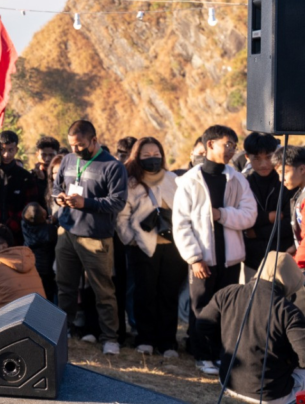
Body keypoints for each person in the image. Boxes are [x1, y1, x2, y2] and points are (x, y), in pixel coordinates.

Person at [172, 124, 256, 375]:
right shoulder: (189, 181)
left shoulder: (237, 179)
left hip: (231, 259)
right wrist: (194, 258)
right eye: (227, 144)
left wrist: (222, 214)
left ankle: (221, 355)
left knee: (227, 309)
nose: (231, 150)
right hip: (203, 258)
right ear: (210, 144)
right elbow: (181, 223)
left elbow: (249, 215)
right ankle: (202, 355)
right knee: (201, 308)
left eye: (234, 146)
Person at [51, 120, 128, 356]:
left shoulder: (113, 166)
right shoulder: (67, 160)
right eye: (72, 145)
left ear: (94, 140)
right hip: (67, 232)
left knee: (103, 290)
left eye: (80, 145)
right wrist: (59, 198)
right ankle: (63, 330)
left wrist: (87, 203)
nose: (75, 150)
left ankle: (110, 338)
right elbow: (55, 188)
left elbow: (118, 202)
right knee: (65, 286)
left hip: (96, 237)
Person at [198, 252, 305, 404]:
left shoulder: (227, 293)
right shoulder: (288, 311)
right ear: (291, 278)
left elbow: (202, 325)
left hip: (228, 382)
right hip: (271, 394)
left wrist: (223, 350)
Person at [116, 137, 184, 358]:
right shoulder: (131, 183)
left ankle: (168, 342)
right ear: (137, 157)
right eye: (146, 155)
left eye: (156, 154)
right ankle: (145, 339)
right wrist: (131, 240)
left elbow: (184, 210)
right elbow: (122, 216)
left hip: (173, 246)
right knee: (144, 293)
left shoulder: (173, 179)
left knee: (168, 293)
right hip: (142, 246)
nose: (152, 158)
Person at [242, 131, 294, 279]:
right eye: (257, 158)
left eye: (269, 157)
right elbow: (241, 219)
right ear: (247, 157)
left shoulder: (287, 182)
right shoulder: (243, 183)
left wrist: (257, 232)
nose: (264, 164)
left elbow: (290, 223)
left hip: (282, 257)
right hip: (252, 259)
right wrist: (267, 217)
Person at [0, 130, 43, 238]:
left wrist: (9, 227)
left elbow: (29, 207)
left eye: (10, 150)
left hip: (15, 234)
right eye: (2, 150)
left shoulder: (25, 177)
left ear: (16, 150)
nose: (6, 155)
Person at [21, 202, 57, 302]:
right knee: (47, 294)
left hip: (31, 265)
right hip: (46, 269)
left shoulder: (25, 225)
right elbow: (54, 236)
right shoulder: (49, 231)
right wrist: (54, 222)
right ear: (44, 215)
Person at [278, 145, 305, 269]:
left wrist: (296, 265)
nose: (281, 179)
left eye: (284, 172)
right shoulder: (300, 193)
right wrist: (296, 247)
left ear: (302, 169)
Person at [32, 136, 60, 205]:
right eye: (43, 155)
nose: (47, 159)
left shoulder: (61, 176)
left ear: (57, 156)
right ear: (37, 154)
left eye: (51, 155)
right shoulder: (30, 176)